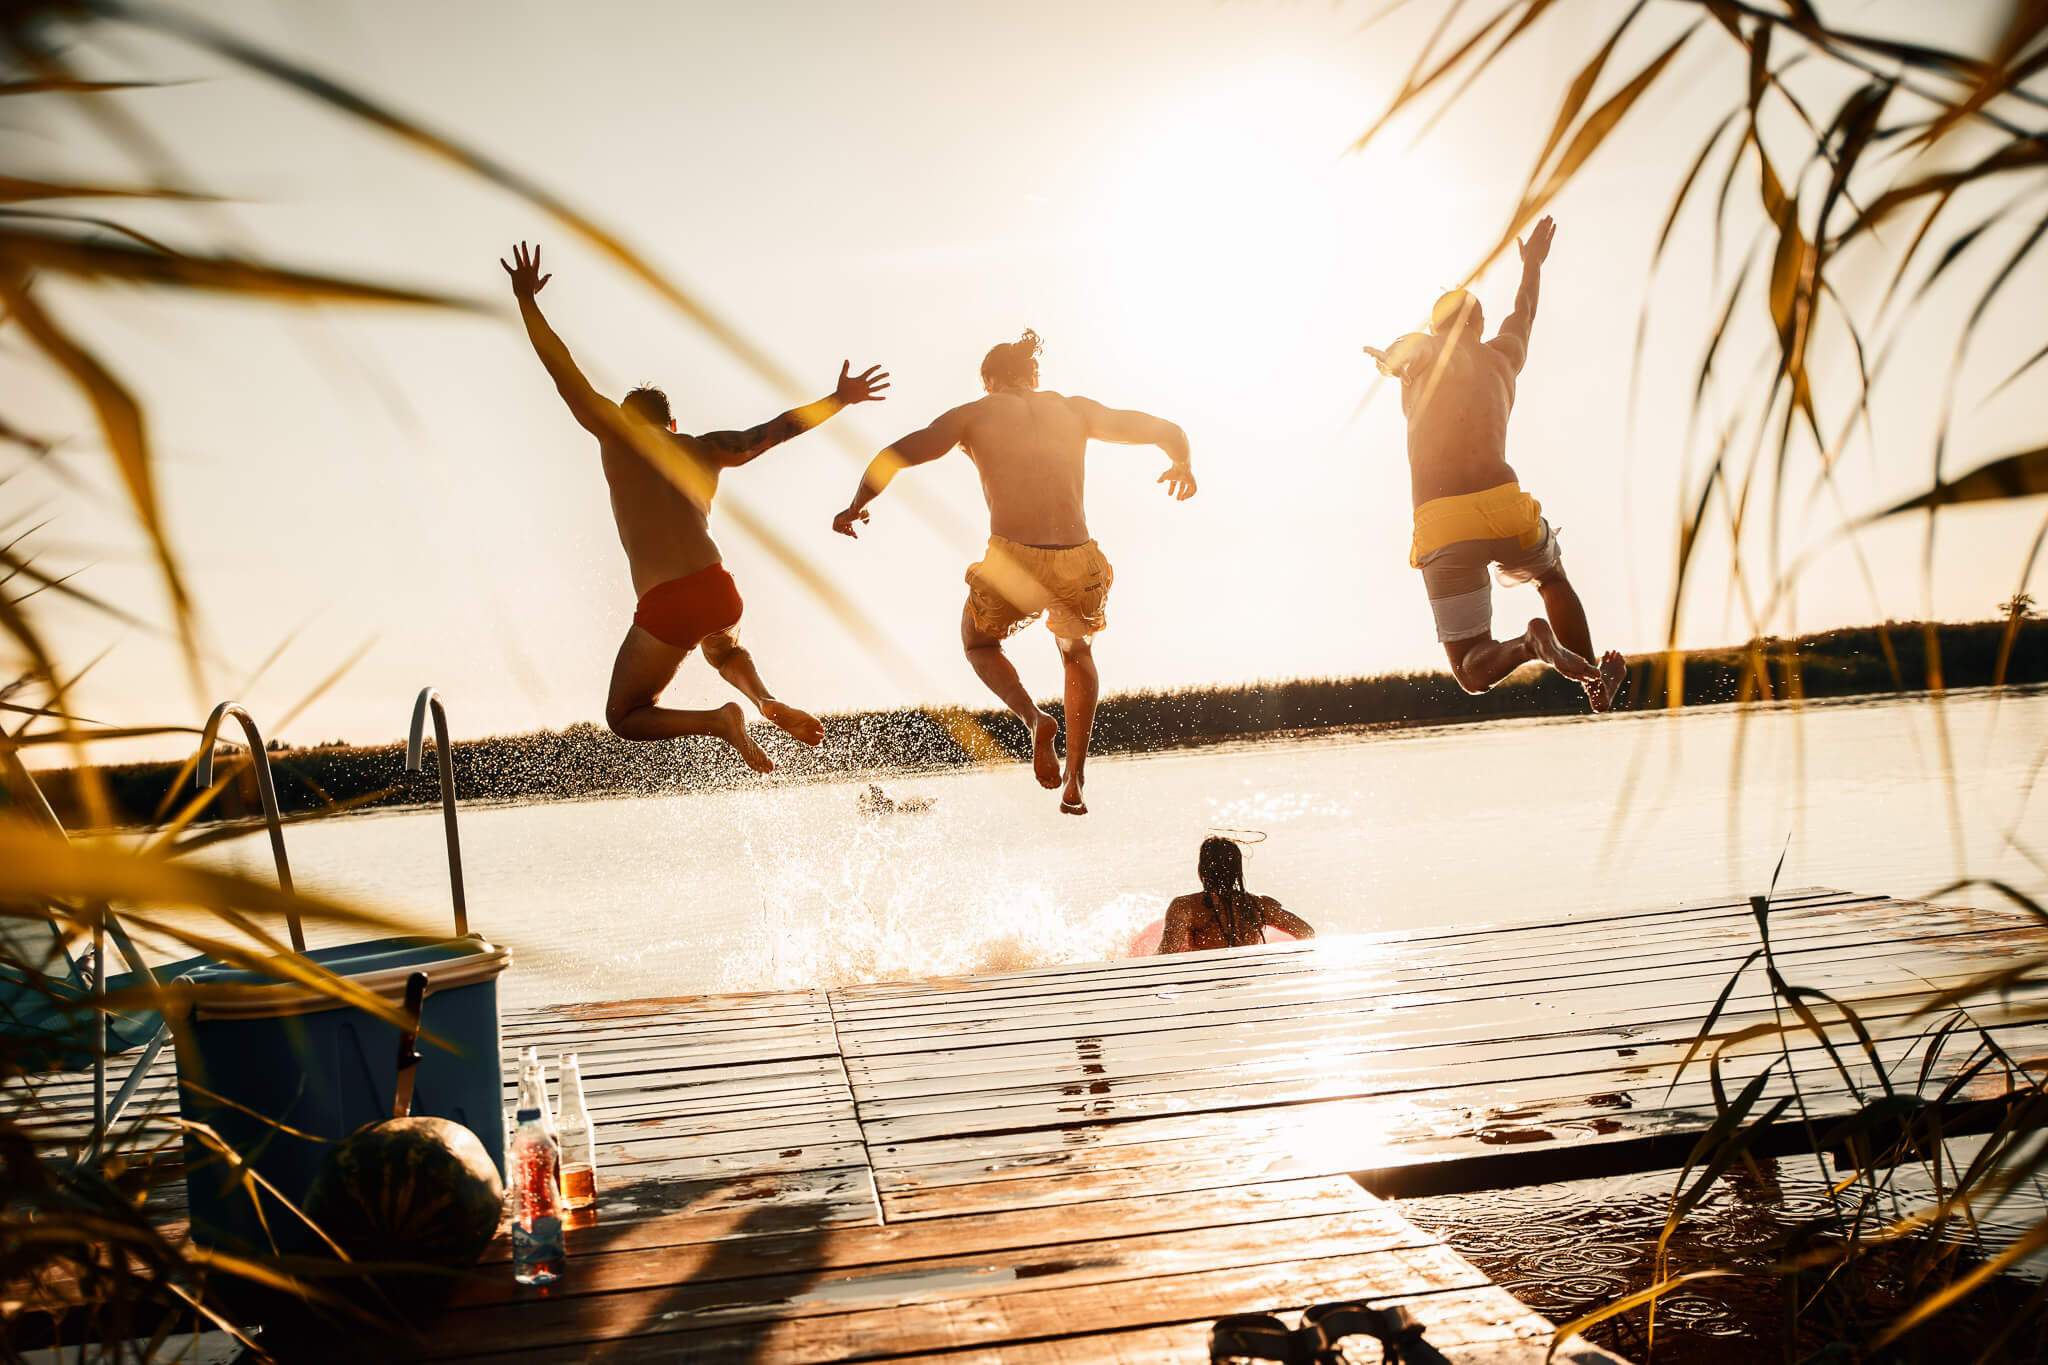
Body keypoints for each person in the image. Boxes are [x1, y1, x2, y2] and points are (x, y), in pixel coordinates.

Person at [501, 242, 889, 771]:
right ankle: (762, 698)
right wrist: (839, 399)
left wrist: (527, 300)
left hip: (666, 601)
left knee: (625, 714)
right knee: (724, 649)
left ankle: (717, 721)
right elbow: (775, 431)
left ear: (623, 416)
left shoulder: (616, 436)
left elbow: (561, 368)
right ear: (673, 425)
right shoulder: (706, 449)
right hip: (719, 587)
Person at [831, 329, 1194, 815]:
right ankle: (1077, 775)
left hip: (1014, 558)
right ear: (1033, 376)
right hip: (1077, 554)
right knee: (1076, 652)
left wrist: (856, 506)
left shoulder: (975, 413)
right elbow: (1165, 430)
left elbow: (894, 455)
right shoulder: (1075, 409)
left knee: (978, 643)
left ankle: (1032, 719)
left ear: (989, 380)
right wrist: (1182, 464)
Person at [1363, 216, 1625, 712]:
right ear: (1481, 326)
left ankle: (1530, 646)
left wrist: (1392, 358)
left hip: (1444, 519)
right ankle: (1595, 679)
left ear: (1434, 327)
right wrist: (1531, 266)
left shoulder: (1427, 352)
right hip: (1507, 506)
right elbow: (1523, 313)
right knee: (1552, 578)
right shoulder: (1503, 355)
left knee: (1469, 671)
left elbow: (1408, 349)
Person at [1157, 837, 1314, 953]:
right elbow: (1306, 932)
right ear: (1237, 870)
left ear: (1202, 870)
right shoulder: (1260, 905)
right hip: (1247, 980)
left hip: (1206, 984)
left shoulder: (1186, 907)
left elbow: (1166, 953)